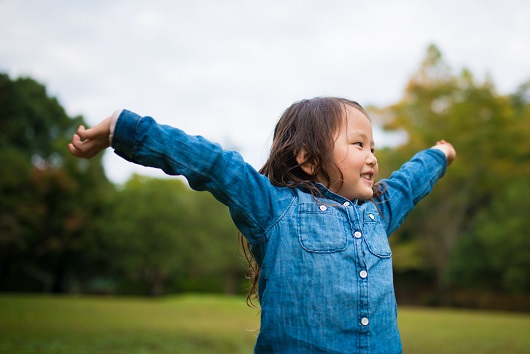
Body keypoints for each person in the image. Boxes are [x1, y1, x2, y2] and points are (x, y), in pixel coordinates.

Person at [69, 97, 456, 354]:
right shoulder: (274, 208)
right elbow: (214, 164)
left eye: (373, 147)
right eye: (359, 145)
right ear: (307, 159)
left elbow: (410, 181)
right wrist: (126, 128)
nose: (372, 157)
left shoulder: (378, 213)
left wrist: (439, 155)